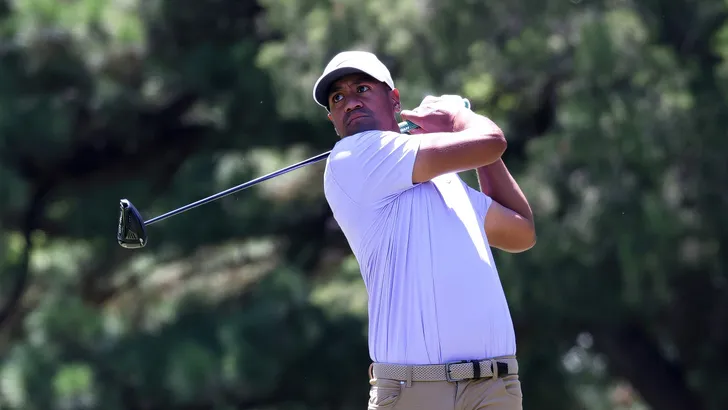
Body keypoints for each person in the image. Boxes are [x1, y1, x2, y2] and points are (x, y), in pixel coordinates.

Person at [313, 50, 536, 410]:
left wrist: (466, 144)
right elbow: (493, 140)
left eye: (362, 89)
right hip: (415, 392)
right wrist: (456, 117)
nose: (350, 102)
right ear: (333, 120)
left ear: (395, 100)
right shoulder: (352, 157)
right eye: (338, 98)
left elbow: (521, 231)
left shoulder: (444, 181)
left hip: (494, 389)